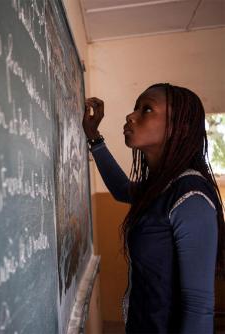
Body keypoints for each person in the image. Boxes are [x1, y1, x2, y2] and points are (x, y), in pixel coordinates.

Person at [83, 83, 225, 333]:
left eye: (146, 109)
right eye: (136, 107)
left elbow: (198, 308)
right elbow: (121, 189)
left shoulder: (190, 196)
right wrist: (94, 137)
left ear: (177, 128)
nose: (131, 115)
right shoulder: (161, 187)